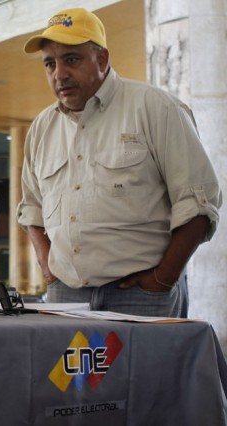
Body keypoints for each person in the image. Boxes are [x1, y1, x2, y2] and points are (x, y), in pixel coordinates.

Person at [16, 8, 221, 318]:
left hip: (143, 295)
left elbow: (198, 204)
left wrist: (163, 278)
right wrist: (48, 267)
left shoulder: (156, 109)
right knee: (72, 371)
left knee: (149, 370)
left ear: (101, 59)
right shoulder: (42, 129)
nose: (59, 74)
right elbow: (31, 209)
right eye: (50, 63)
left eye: (71, 59)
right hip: (67, 297)